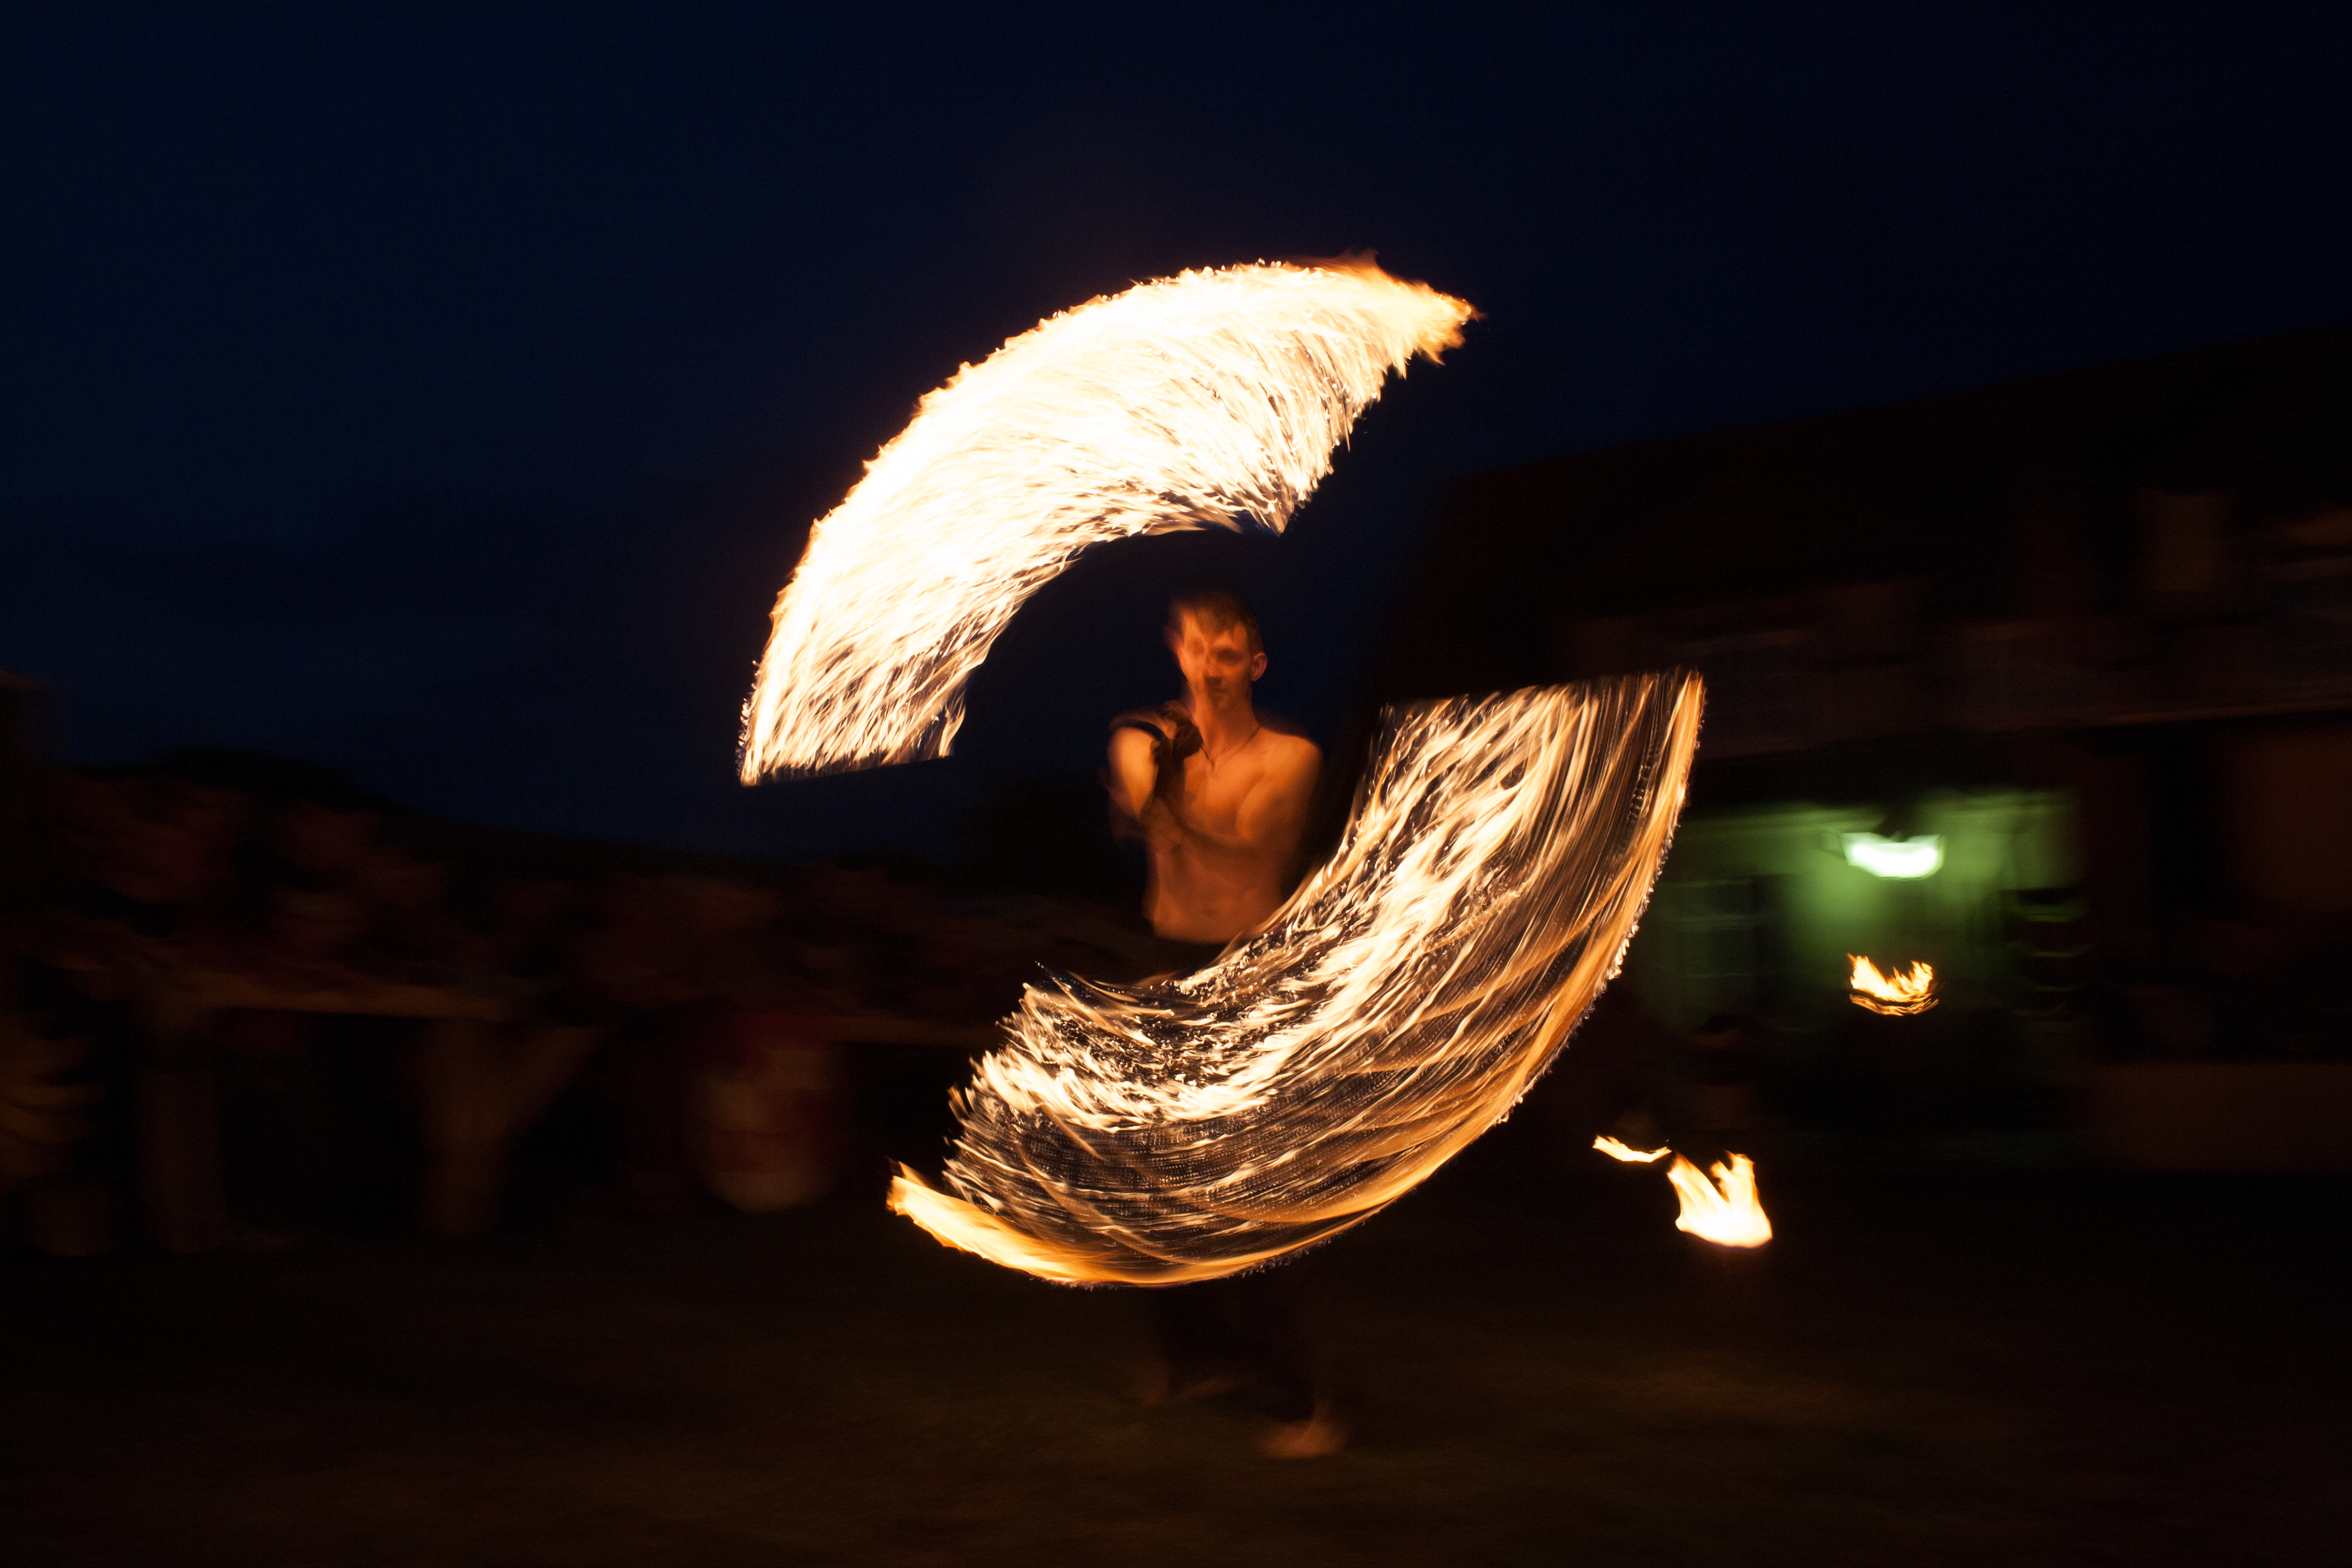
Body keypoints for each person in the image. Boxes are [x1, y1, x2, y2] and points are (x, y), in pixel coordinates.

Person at [1104, 588, 1344, 1458]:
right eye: (1199, 649)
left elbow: (1248, 852)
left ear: (1256, 665)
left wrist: (1169, 802)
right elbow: (1150, 819)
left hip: (1251, 971)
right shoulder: (1143, 742)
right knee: (1153, 1188)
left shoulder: (1292, 757)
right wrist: (1164, 786)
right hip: (1168, 962)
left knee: (1258, 1193)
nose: (1212, 667)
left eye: (1230, 653)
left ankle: (1304, 1402)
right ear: (1180, 653)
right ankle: (1201, 1357)